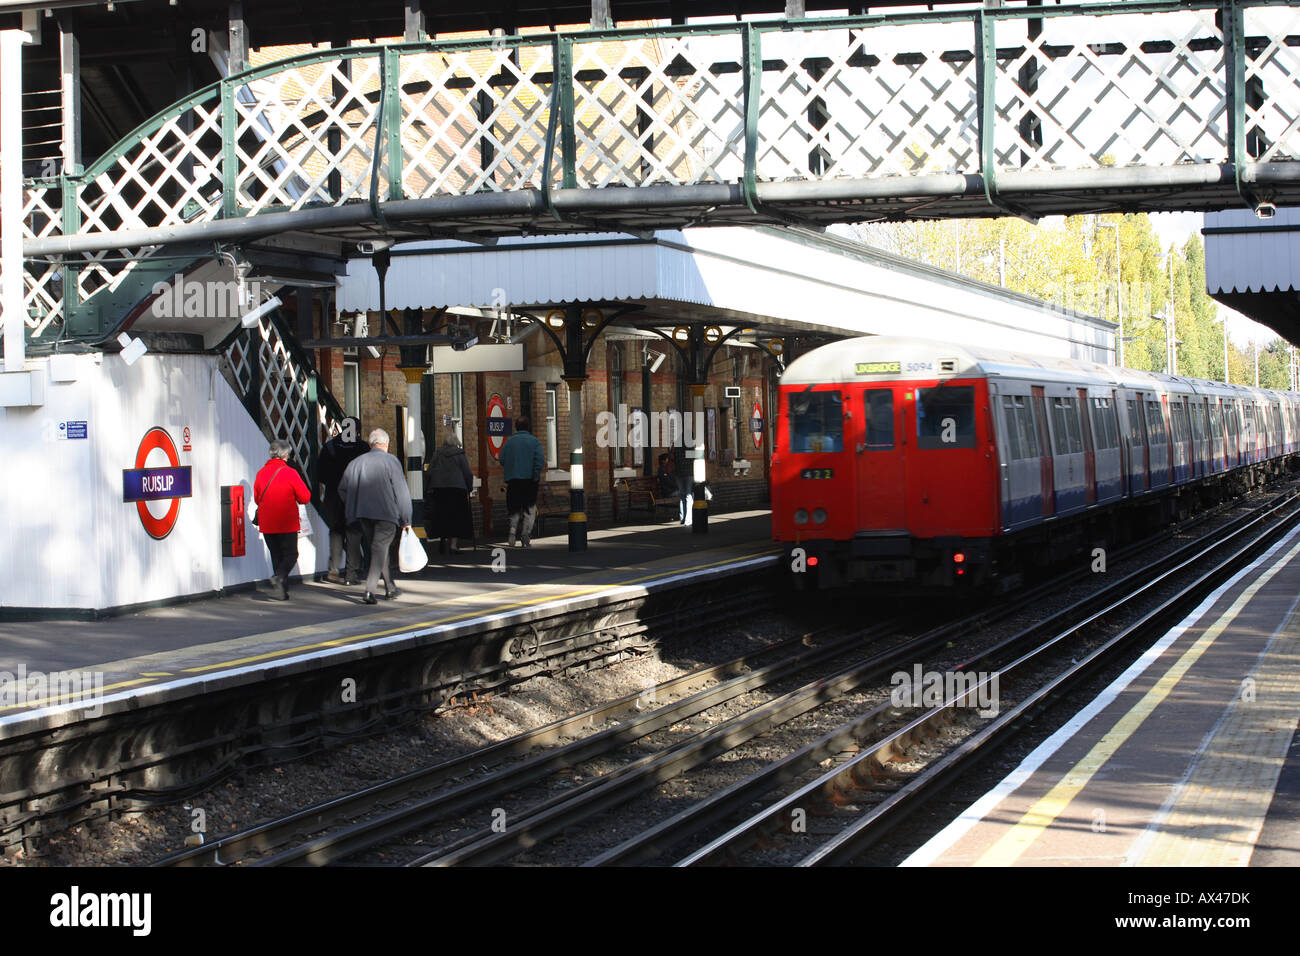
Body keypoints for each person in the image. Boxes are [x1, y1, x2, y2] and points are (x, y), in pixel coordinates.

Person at [338, 428, 413, 604]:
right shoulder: (391, 461)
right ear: (386, 444)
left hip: (363, 514)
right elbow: (401, 492)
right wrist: (406, 518)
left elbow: (342, 488)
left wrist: (353, 504)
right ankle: (370, 591)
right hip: (387, 514)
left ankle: (390, 588)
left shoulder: (356, 462)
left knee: (379, 550)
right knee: (379, 549)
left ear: (371, 444)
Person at [253, 440, 312, 600]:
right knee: (291, 554)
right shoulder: (290, 473)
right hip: (286, 522)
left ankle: (282, 591)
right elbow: (305, 497)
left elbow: (258, 499)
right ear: (286, 455)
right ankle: (279, 577)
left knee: (277, 556)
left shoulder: (261, 473)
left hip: (267, 523)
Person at [316, 416, 369, 584]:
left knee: (336, 531)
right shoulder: (362, 448)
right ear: (357, 430)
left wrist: (334, 483)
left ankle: (333, 569)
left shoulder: (329, 447)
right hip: (356, 495)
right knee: (353, 532)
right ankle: (351, 574)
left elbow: (320, 474)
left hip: (333, 495)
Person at [500, 415, 544, 547]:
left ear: (516, 427)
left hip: (513, 481)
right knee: (529, 509)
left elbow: (502, 460)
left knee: (513, 508)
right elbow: (540, 461)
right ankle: (525, 535)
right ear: (528, 427)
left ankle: (512, 532)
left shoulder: (509, 442)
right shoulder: (534, 442)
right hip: (530, 481)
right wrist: (535, 474)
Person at [427, 432, 475, 553]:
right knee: (456, 517)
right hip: (457, 489)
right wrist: (469, 487)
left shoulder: (437, 454)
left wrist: (430, 485)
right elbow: (467, 473)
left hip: (439, 489)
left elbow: (430, 471)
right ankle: (453, 545)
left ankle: (442, 540)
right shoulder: (460, 454)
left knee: (442, 515)